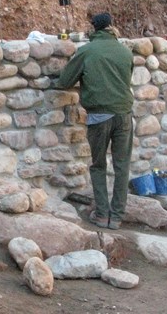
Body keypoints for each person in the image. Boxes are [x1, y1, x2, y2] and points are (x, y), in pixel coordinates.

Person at [52, 12, 134, 230]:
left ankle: (102, 214)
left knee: (98, 165)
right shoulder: (125, 52)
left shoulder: (87, 51)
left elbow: (64, 81)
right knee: (122, 166)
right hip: (124, 114)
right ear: (111, 27)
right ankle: (117, 217)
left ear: (93, 29)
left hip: (99, 116)